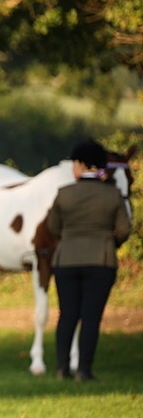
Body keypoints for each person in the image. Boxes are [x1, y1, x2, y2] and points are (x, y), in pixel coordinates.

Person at [47, 139, 132, 381]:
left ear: (82, 164)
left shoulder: (64, 194)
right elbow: (124, 230)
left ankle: (62, 368)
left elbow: (53, 227)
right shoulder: (112, 195)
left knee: (67, 315)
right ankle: (84, 369)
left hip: (66, 261)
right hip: (101, 261)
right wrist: (108, 241)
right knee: (91, 317)